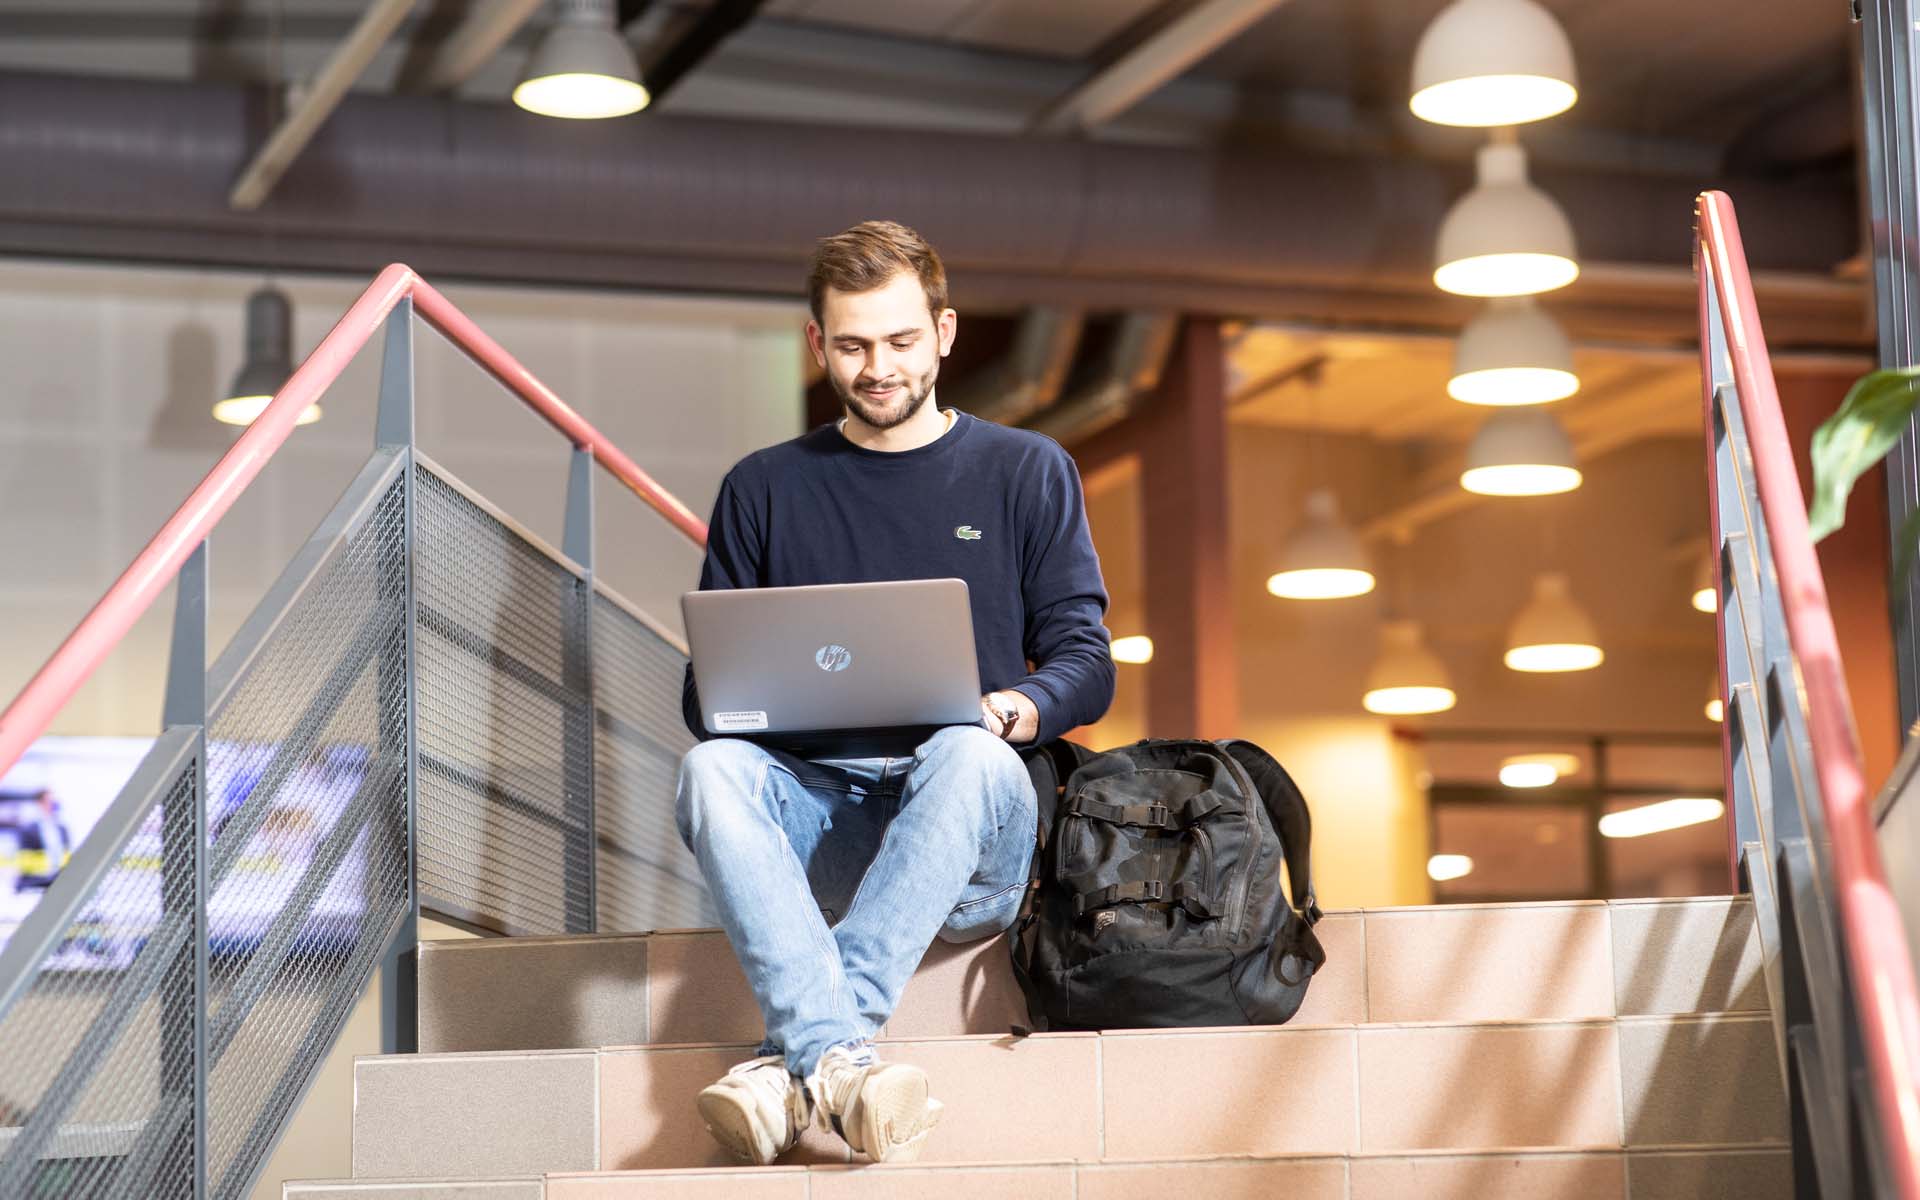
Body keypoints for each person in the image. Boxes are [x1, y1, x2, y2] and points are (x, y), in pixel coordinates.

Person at [675, 219, 1115, 1165]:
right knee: (711, 768)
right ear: (816, 344)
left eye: (902, 340)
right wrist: (739, 706)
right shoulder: (762, 489)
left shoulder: (1026, 470)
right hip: (825, 828)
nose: (879, 366)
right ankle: (839, 1066)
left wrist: (1009, 709)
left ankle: (802, 1058)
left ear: (945, 333)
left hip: (968, 836)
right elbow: (704, 695)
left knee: (962, 746)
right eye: (853, 344)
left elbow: (1087, 660)